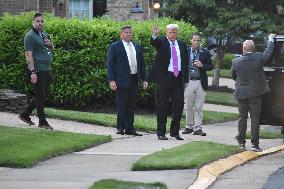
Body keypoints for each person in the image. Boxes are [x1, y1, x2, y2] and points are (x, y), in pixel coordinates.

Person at [231, 34, 276, 151]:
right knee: (255, 118)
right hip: (255, 94)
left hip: (241, 93)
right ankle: (255, 144)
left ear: (243, 48)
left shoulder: (235, 61)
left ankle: (241, 142)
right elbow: (269, 52)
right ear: (253, 48)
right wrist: (271, 39)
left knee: (242, 117)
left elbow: (234, 76)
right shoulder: (258, 57)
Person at [107, 26, 148, 136]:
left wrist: (145, 79)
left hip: (134, 79)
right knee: (122, 104)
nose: (128, 34)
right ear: (121, 34)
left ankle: (130, 128)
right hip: (121, 80)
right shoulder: (115, 46)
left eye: (130, 32)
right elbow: (110, 65)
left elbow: (142, 65)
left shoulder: (137, 46)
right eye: (126, 32)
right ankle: (120, 128)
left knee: (131, 105)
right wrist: (111, 80)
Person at [150, 24, 188, 140]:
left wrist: (185, 79)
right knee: (162, 105)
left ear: (177, 33)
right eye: (170, 32)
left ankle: (175, 132)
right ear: (166, 33)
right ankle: (161, 132)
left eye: (174, 32)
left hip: (178, 78)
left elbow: (185, 62)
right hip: (164, 78)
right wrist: (155, 34)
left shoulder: (182, 45)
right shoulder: (162, 42)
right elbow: (154, 42)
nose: (172, 34)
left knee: (178, 105)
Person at [19, 12, 54, 130]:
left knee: (42, 95)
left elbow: (50, 49)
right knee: (41, 95)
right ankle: (42, 121)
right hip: (37, 70)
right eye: (37, 21)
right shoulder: (29, 36)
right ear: (33, 22)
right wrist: (33, 72)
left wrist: (50, 45)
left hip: (46, 68)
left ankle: (25, 114)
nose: (40, 23)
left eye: (42, 21)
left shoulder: (44, 34)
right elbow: (28, 55)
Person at [182, 32, 213, 136]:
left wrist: (202, 65)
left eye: (198, 40)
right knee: (188, 105)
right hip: (189, 81)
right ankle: (189, 126)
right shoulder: (185, 51)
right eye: (194, 40)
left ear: (200, 42)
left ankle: (198, 128)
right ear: (191, 40)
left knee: (199, 106)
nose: (196, 42)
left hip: (200, 81)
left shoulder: (205, 52)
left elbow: (210, 66)